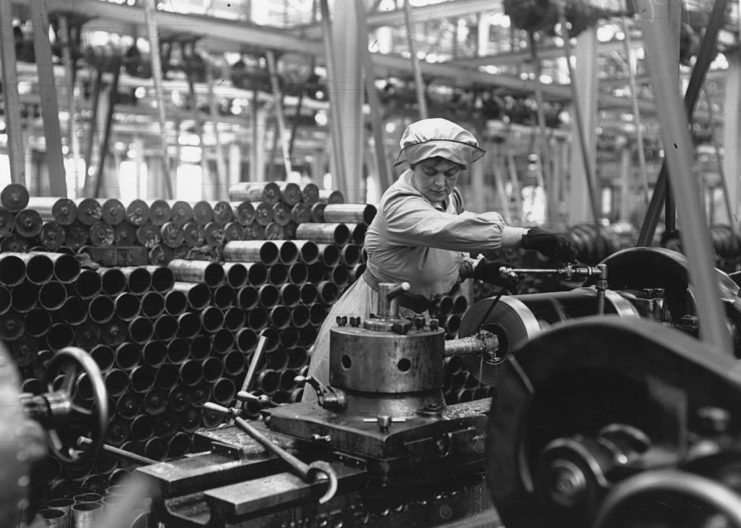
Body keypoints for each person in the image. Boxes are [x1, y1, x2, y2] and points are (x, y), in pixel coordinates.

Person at [303, 118, 576, 401]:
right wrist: (527, 236)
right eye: (430, 171)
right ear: (412, 166)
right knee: (357, 407)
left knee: (413, 408)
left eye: (451, 173)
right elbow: (449, 230)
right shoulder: (399, 204)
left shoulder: (449, 199)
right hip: (371, 318)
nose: (440, 182)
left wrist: (475, 267)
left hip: (415, 318)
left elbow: (444, 250)